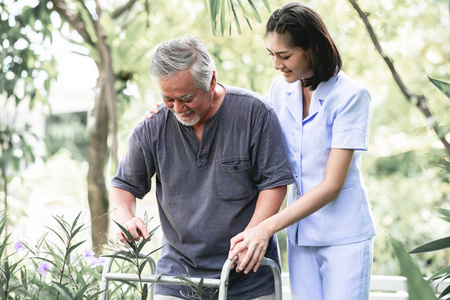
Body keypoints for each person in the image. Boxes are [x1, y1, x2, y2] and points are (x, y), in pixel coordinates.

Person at [110, 35, 294, 300]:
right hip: (176, 277)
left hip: (247, 276)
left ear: (211, 81)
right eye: (168, 99)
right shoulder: (152, 127)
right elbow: (123, 185)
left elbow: (275, 184)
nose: (178, 108)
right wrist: (126, 218)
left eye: (186, 98)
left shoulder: (254, 114)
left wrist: (255, 233)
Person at [227, 3, 376, 300]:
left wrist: (265, 228)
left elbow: (331, 186)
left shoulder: (350, 97)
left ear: (313, 48)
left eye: (285, 56)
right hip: (299, 236)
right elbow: (246, 124)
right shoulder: (279, 90)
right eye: (272, 55)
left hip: (344, 237)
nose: (276, 64)